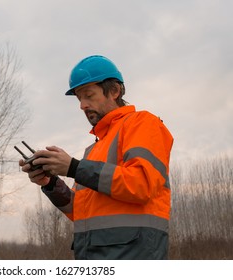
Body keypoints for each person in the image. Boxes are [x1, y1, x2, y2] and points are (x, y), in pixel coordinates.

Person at [19, 55, 174, 260]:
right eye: (79, 98)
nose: (82, 105)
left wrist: (73, 168)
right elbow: (79, 211)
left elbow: (141, 185)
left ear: (114, 91)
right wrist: (50, 183)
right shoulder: (94, 149)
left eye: (89, 96)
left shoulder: (143, 124)